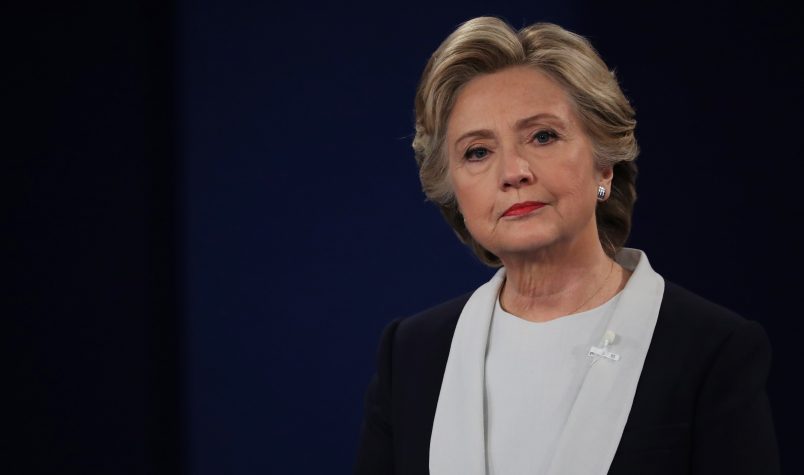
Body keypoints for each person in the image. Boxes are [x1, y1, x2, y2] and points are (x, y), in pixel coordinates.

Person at [354, 17, 779, 475]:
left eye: (543, 136)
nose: (513, 171)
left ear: (604, 166)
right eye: (477, 151)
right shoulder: (412, 354)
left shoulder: (712, 350)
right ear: (453, 188)